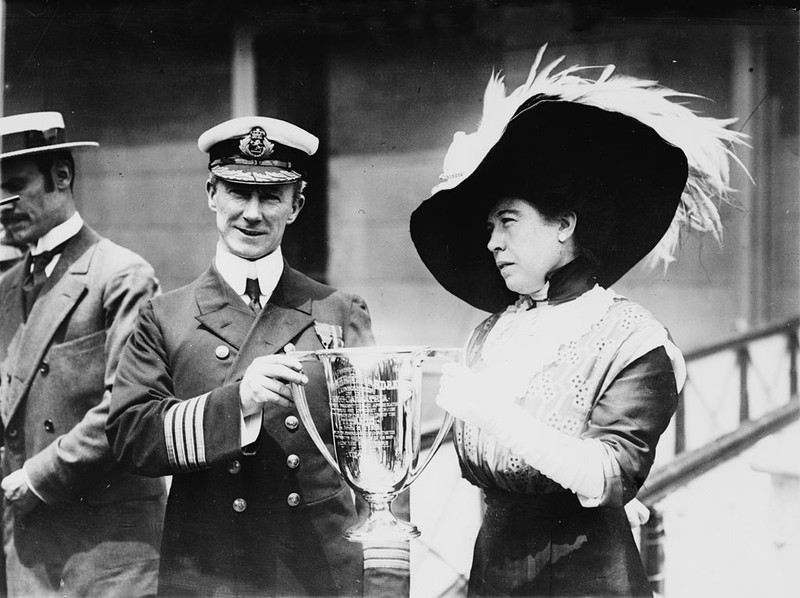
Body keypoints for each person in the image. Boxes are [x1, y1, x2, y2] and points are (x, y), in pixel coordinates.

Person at [409, 48, 746, 597]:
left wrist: (493, 413)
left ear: (563, 223)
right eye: (490, 226)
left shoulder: (633, 341)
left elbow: (609, 472)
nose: (492, 241)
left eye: (509, 221)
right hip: (492, 575)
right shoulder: (493, 335)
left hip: (588, 580)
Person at [106, 116, 408, 597]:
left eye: (271, 196)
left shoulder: (338, 311)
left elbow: (381, 460)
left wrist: (386, 584)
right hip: (208, 572)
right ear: (211, 194)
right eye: (236, 192)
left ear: (297, 204)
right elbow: (131, 436)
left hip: (316, 574)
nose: (252, 213)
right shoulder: (163, 317)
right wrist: (238, 402)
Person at [0, 111, 165, 597]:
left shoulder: (121, 276)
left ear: (62, 176)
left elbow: (124, 411)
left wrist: (35, 476)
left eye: (13, 187)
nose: (2, 206)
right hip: (31, 550)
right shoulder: (8, 288)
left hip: (108, 550)